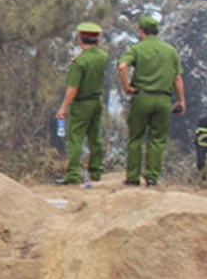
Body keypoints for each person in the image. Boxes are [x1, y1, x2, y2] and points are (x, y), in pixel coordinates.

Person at [117, 16, 186, 187]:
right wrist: (181, 101)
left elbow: (122, 66)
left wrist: (126, 87)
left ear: (141, 32)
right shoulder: (170, 51)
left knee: (135, 138)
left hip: (142, 97)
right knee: (157, 139)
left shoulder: (137, 48)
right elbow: (177, 78)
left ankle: (132, 177)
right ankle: (152, 177)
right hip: (163, 99)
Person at [54, 22, 108, 186]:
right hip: (97, 101)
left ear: (80, 39)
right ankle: (96, 171)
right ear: (97, 40)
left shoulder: (79, 62)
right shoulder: (102, 57)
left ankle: (73, 174)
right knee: (95, 136)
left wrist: (63, 107)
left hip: (82, 103)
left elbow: (73, 88)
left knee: (76, 138)